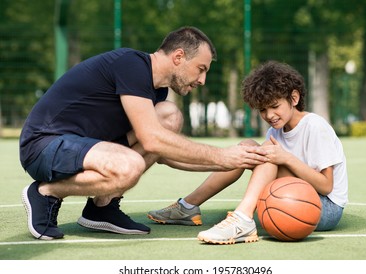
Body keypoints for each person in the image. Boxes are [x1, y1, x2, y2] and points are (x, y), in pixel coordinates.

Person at [19, 26, 269, 240]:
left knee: (169, 116)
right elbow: (151, 139)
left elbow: (162, 152)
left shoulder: (156, 91)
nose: (202, 80)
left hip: (84, 145)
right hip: (44, 145)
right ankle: (45, 192)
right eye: (201, 68)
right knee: (130, 165)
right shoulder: (132, 65)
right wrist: (222, 156)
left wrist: (234, 162)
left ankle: (101, 207)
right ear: (179, 56)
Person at [148, 60, 348, 245]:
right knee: (247, 147)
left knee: (267, 156)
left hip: (324, 207)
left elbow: (326, 186)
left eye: (275, 106)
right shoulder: (275, 131)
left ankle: (242, 219)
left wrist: (285, 158)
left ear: (294, 98)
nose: (269, 115)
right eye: (262, 110)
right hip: (294, 195)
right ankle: (188, 206)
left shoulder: (314, 126)